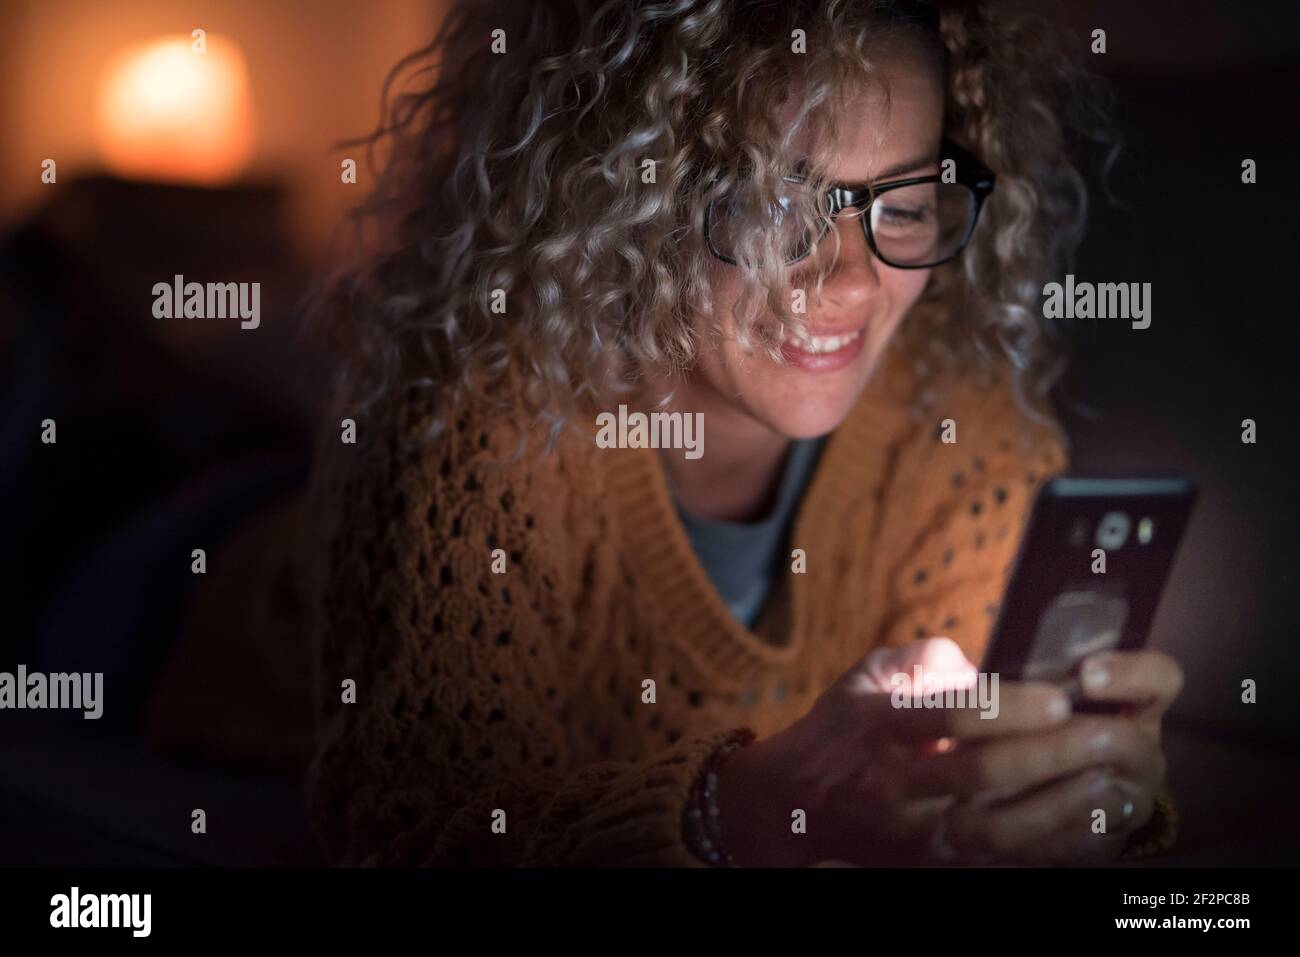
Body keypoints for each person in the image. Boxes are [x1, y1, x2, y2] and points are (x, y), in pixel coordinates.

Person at [302, 0, 1181, 867]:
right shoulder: (481, 428)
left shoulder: (963, 432)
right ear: (622, 195)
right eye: (773, 205)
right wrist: (737, 813)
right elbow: (409, 830)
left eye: (906, 204)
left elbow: (956, 802)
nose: (850, 281)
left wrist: (1070, 801)